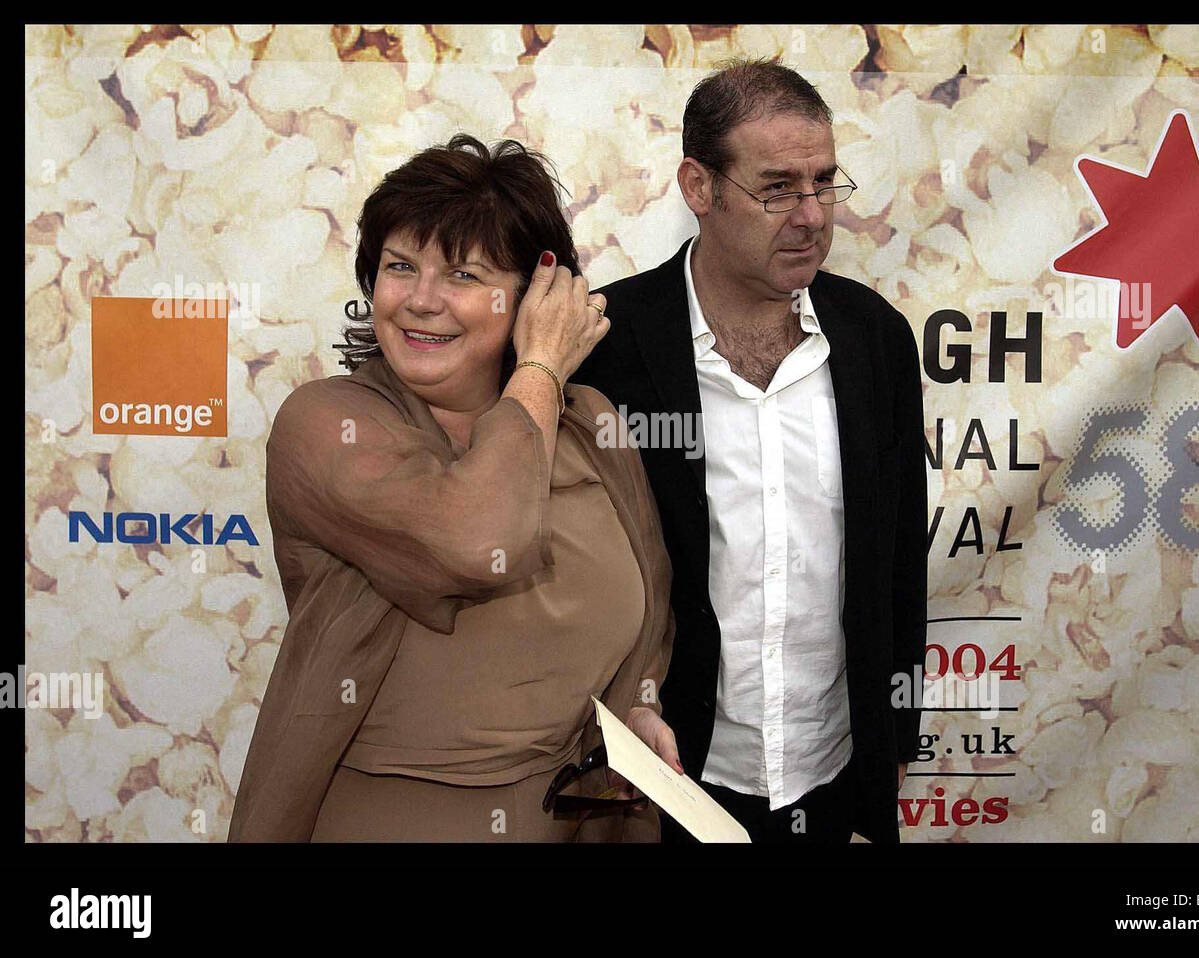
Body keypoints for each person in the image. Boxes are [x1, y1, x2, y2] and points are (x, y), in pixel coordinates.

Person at [228, 134, 679, 842]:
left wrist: (639, 712)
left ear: (534, 293)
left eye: (465, 275)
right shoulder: (327, 423)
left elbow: (649, 608)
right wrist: (538, 368)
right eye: (399, 267)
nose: (420, 301)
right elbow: (479, 542)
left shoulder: (592, 421)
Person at [574, 57, 927, 844]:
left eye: (825, 182)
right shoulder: (607, 344)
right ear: (698, 187)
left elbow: (901, 559)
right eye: (777, 189)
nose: (811, 215)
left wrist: (894, 741)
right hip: (667, 781)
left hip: (832, 771)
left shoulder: (875, 340)